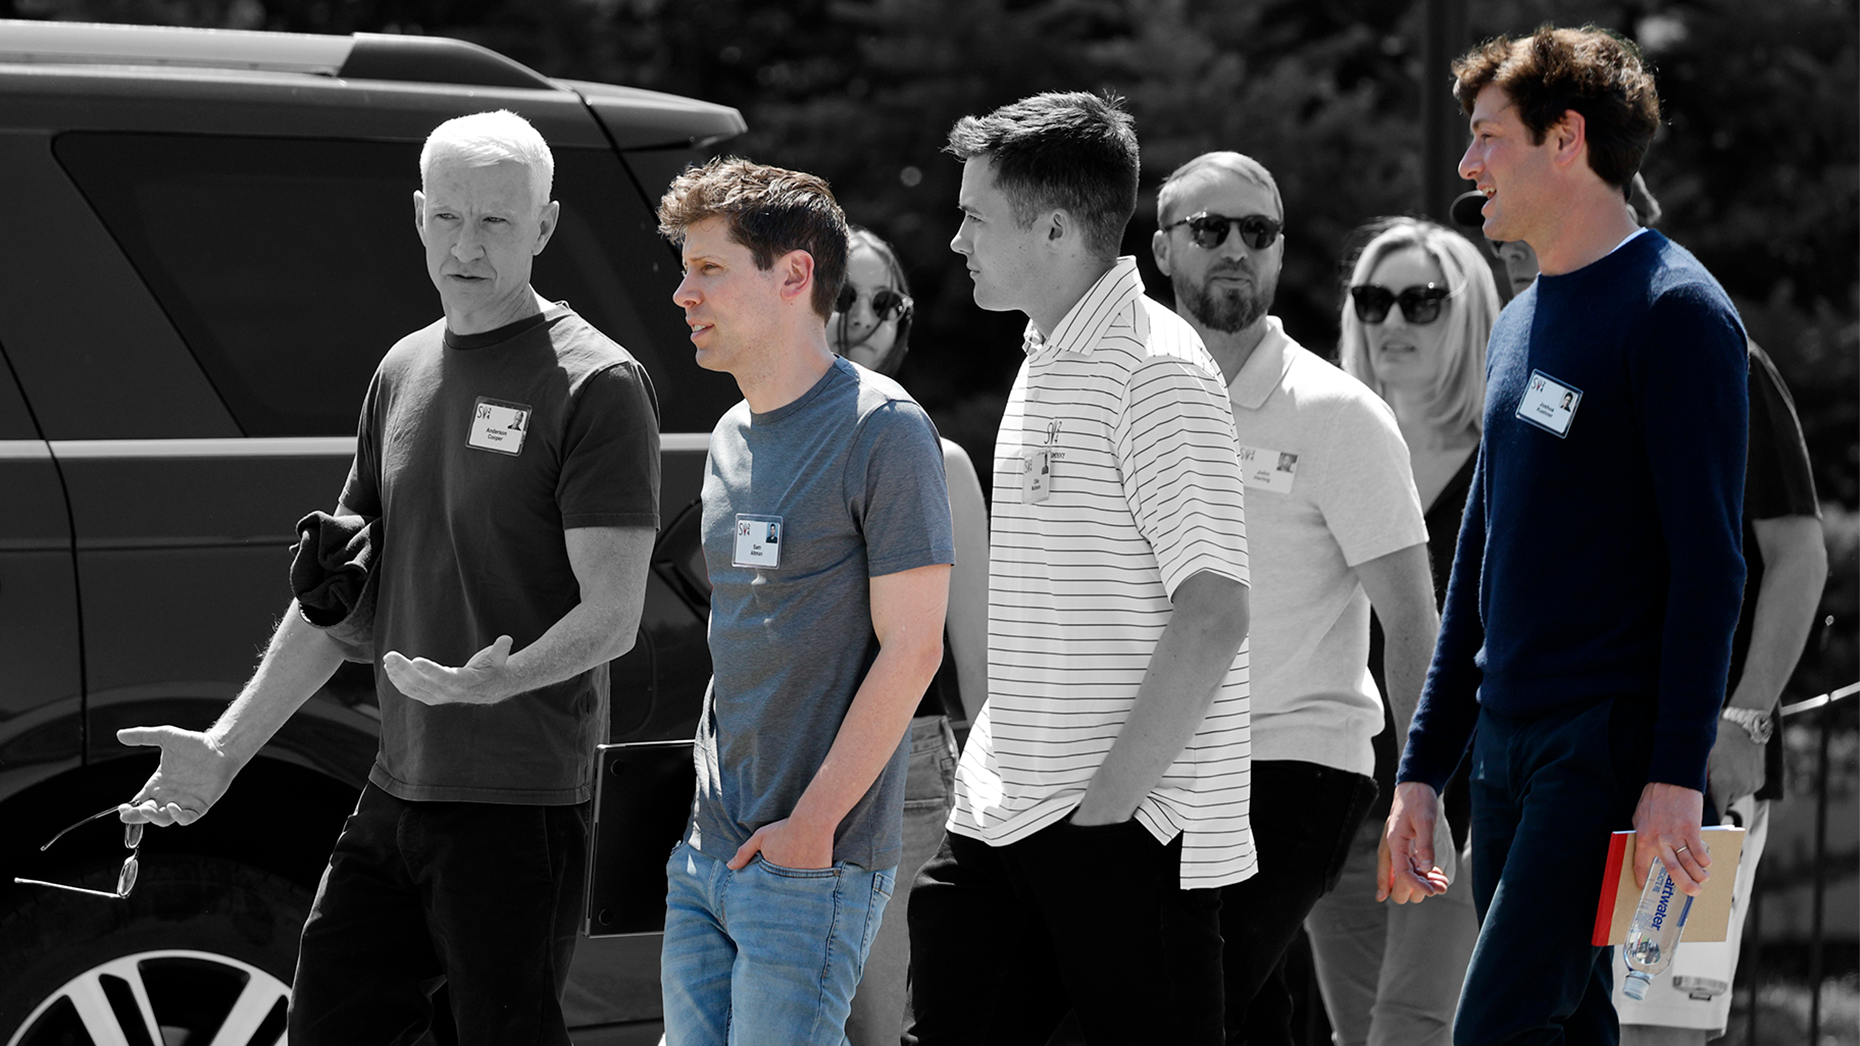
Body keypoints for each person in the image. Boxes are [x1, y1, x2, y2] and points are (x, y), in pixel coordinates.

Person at [110, 110, 662, 1043]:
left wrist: (503, 678)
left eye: (496, 221)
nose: (468, 245)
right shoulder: (401, 369)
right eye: (448, 217)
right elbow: (338, 606)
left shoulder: (597, 383)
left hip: (517, 805)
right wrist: (222, 750)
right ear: (417, 215)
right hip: (395, 790)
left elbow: (612, 616)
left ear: (546, 225)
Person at [1386, 26, 1750, 1044]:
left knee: (1494, 1027)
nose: (1468, 166)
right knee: (1567, 1029)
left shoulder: (1678, 313)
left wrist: (1676, 770)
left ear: (1566, 138)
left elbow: (1710, 564)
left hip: (1607, 744)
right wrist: (1425, 767)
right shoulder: (1519, 318)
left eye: (1489, 137)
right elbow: (1480, 568)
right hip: (1506, 745)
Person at [908, 91, 1254, 1045]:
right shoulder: (1048, 350)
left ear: (1055, 226)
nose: (955, 240)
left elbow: (1215, 610)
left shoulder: (1156, 370)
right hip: (1001, 817)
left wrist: (1106, 815)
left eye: (976, 214)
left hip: (1123, 831)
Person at [654, 158, 955, 1046]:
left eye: (709, 269)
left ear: (793, 277)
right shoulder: (729, 434)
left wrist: (812, 827)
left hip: (811, 860)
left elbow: (914, 652)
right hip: (709, 850)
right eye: (685, 269)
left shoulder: (886, 429)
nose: (683, 294)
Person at [1148, 153, 1441, 1046]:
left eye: (1258, 232)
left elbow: (1411, 618)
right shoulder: (1127, 397)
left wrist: (1421, 787)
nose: (1235, 248)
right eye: (1210, 230)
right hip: (1153, 769)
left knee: (1178, 1008)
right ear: (1162, 250)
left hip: (1296, 768)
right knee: (1244, 1011)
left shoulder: (1337, 413)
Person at [1307, 216, 1500, 1046]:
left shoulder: (1510, 453)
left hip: (1456, 795)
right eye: (1373, 301)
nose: (1391, 322)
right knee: (1362, 1035)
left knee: (1408, 1028)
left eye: (1421, 302)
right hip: (1337, 797)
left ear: (1471, 315)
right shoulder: (1336, 447)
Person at [831, 226, 992, 1046]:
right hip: (775, 767)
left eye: (882, 301)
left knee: (879, 1030)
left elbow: (982, 674)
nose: (861, 317)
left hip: (908, 770)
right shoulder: (750, 443)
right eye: (840, 296)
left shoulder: (940, 458)